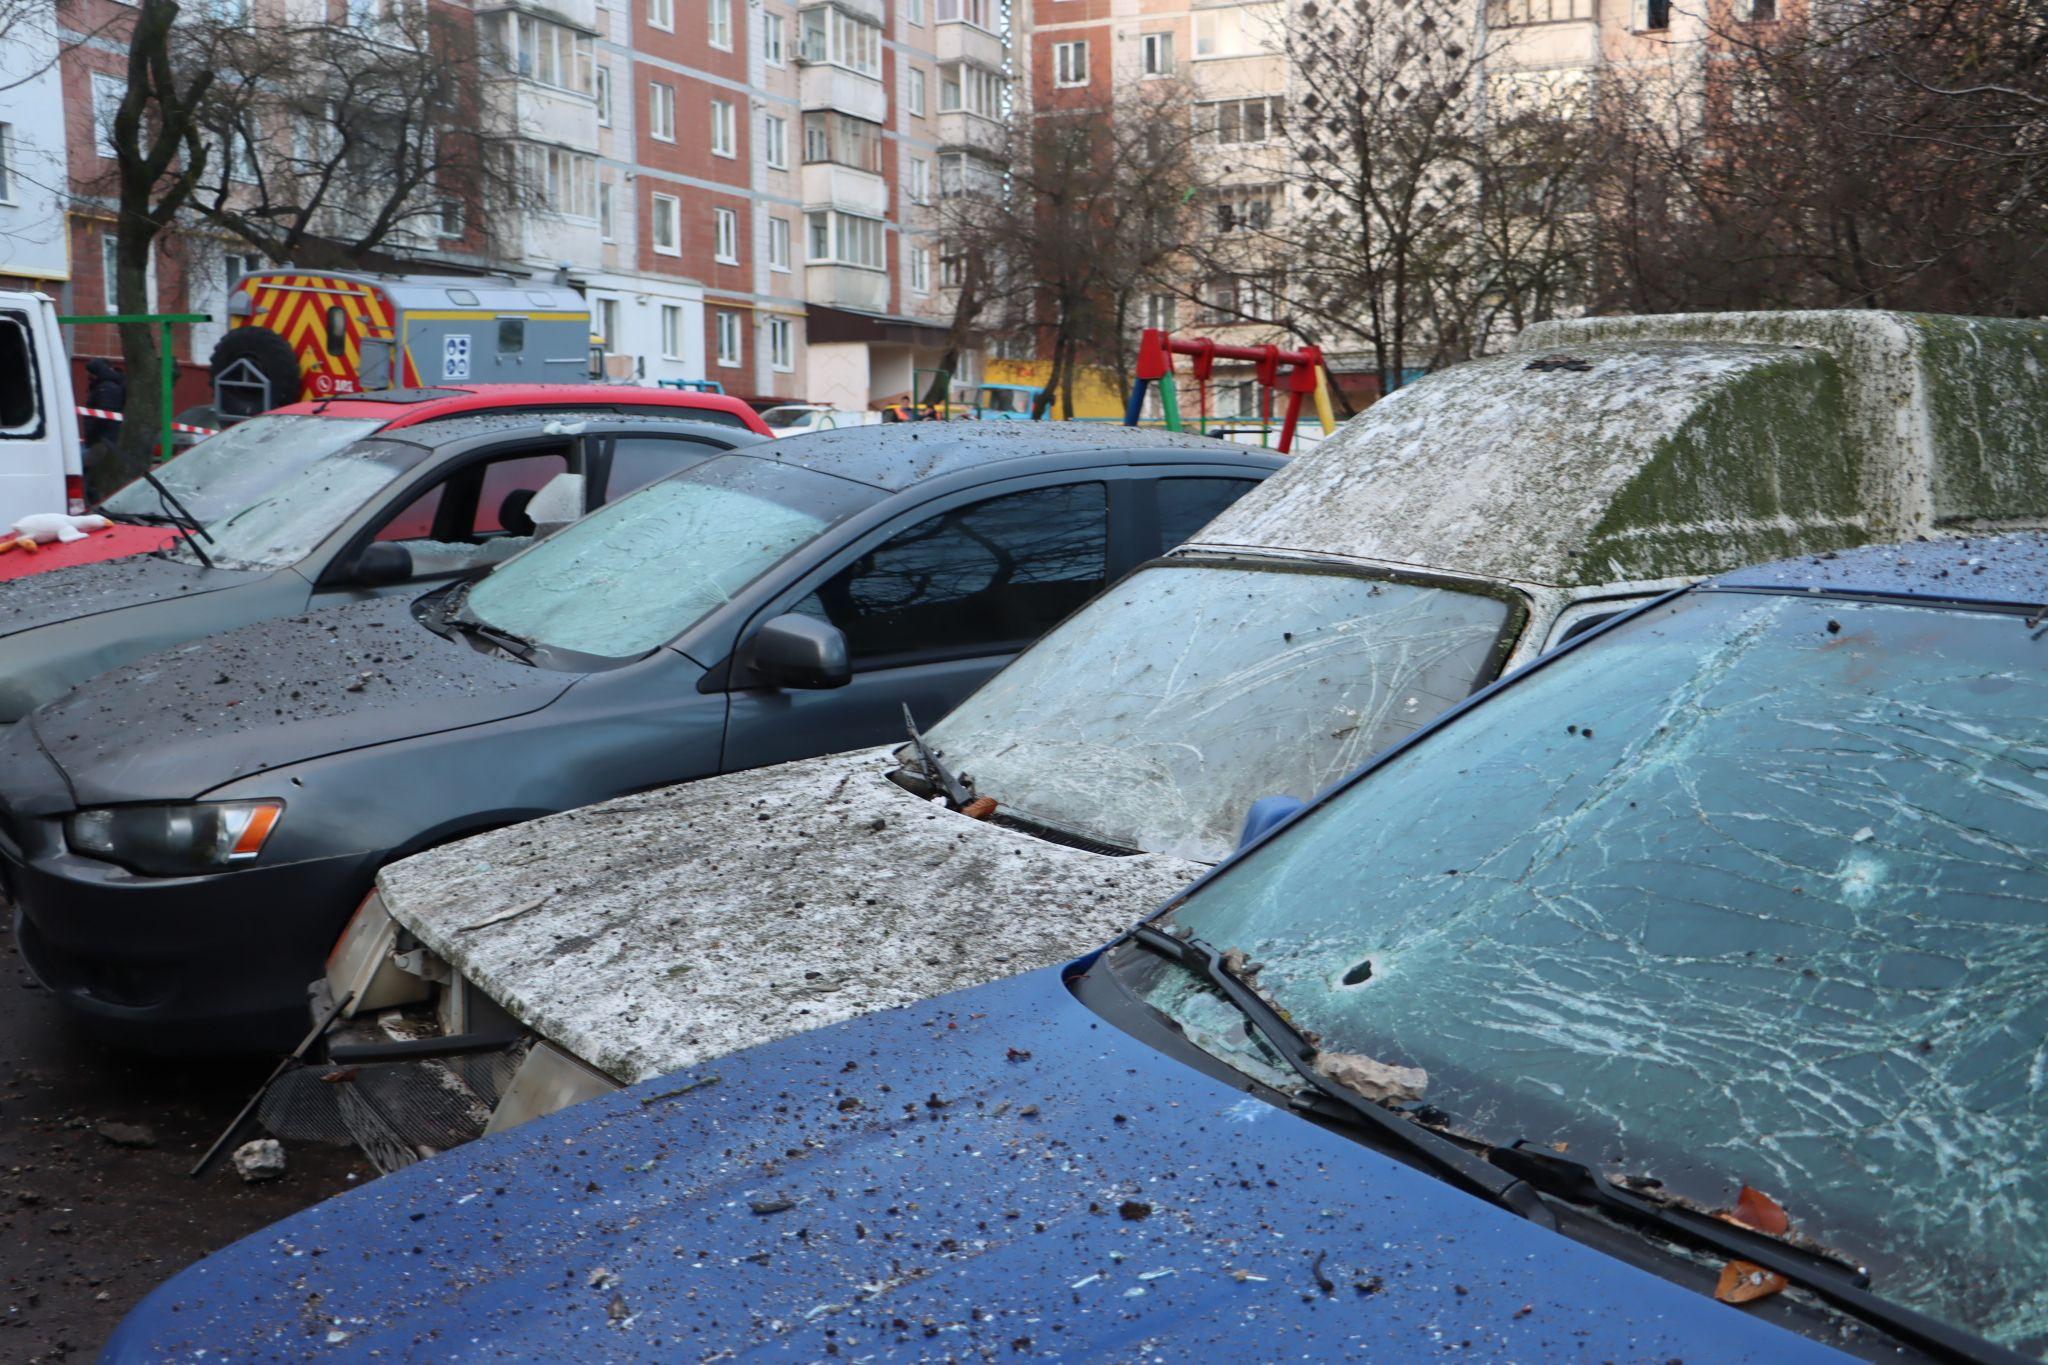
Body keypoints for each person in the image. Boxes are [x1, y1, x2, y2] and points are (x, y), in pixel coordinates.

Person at [80, 359, 127, 502]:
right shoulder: (104, 386)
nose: (87, 376)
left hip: (103, 439)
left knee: (85, 468)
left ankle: (89, 499)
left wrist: (92, 434)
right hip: (101, 439)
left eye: (88, 373)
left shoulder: (106, 388)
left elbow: (103, 415)